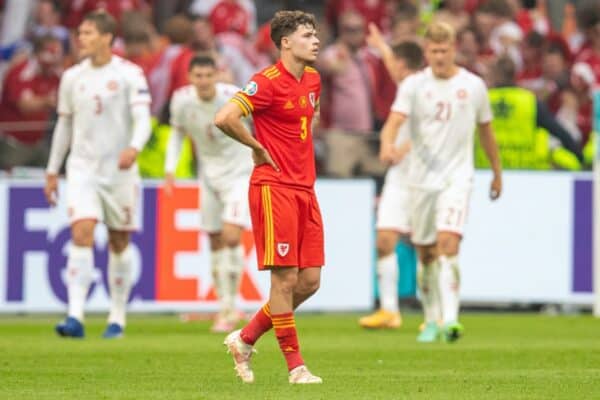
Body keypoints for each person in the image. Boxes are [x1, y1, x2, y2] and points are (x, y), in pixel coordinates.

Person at [214, 10, 323, 384]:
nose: (316, 40)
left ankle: (244, 339)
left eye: (315, 34)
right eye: (308, 35)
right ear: (286, 42)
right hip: (273, 187)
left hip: (305, 188)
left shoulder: (313, 79)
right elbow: (225, 117)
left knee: (310, 282)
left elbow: (309, 120)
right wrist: (256, 146)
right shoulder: (266, 82)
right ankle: (296, 367)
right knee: (285, 279)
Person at [379, 22, 502, 343]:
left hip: (456, 179)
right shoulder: (414, 86)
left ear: (454, 49)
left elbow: (486, 131)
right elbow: (394, 121)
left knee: (449, 245)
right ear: (426, 52)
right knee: (427, 254)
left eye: (444, 50)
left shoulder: (473, 85)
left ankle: (451, 320)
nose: (439, 56)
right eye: (433, 51)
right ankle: (431, 317)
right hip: (420, 181)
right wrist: (387, 144)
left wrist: (496, 172)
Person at [44, 10, 152, 339]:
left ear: (107, 38)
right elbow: (64, 125)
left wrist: (133, 147)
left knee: (120, 242)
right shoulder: (72, 77)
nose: (81, 39)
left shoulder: (129, 74)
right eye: (81, 33)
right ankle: (75, 316)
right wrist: (52, 169)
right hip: (83, 169)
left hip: (120, 173)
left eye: (89, 33)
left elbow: (143, 119)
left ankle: (116, 317)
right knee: (82, 232)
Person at [164, 55, 253, 333]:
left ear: (217, 75)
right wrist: (170, 169)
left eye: (208, 75)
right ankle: (225, 304)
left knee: (231, 234)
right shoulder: (181, 100)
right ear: (190, 78)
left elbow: (261, 119)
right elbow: (178, 134)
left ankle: (229, 305)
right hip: (209, 175)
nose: (203, 81)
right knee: (214, 239)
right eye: (198, 76)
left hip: (239, 172)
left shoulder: (233, 97)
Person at [358, 39, 424, 329]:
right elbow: (395, 64)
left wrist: (402, 148)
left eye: (392, 63)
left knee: (427, 248)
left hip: (423, 176)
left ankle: (434, 313)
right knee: (385, 239)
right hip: (398, 177)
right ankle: (389, 310)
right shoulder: (406, 85)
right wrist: (382, 47)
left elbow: (431, 129)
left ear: (401, 65)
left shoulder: (427, 89)